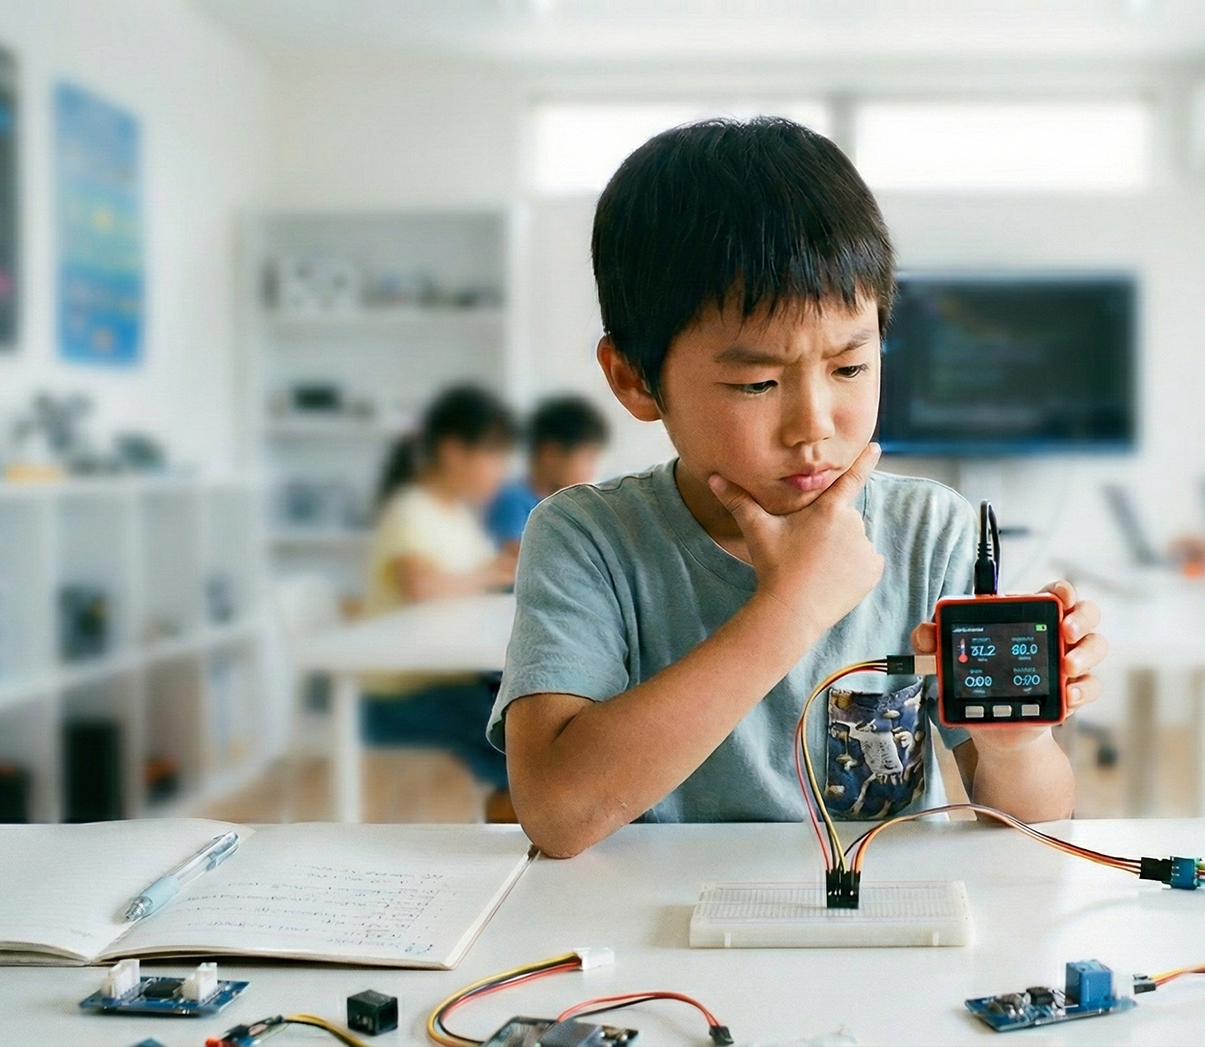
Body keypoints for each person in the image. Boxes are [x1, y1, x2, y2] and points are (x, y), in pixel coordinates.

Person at [490, 117, 1107, 858]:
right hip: (655, 942)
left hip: (883, 931)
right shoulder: (586, 537)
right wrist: (793, 606)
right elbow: (558, 812)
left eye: (850, 368)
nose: (812, 427)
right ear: (634, 378)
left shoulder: (929, 530)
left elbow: (1034, 826)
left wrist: (1016, 744)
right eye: (756, 381)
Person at [363, 384, 521, 809]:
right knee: (515, 734)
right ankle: (521, 818)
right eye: (494, 456)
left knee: (524, 708)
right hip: (400, 693)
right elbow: (420, 587)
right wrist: (491, 570)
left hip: (445, 676)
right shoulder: (411, 509)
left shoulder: (454, 514)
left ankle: (514, 809)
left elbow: (480, 578)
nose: (500, 472)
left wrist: (506, 565)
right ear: (454, 452)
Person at [484, 394, 611, 547]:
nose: (592, 471)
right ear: (549, 454)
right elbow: (514, 559)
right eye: (588, 458)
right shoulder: (513, 502)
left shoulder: (562, 506)